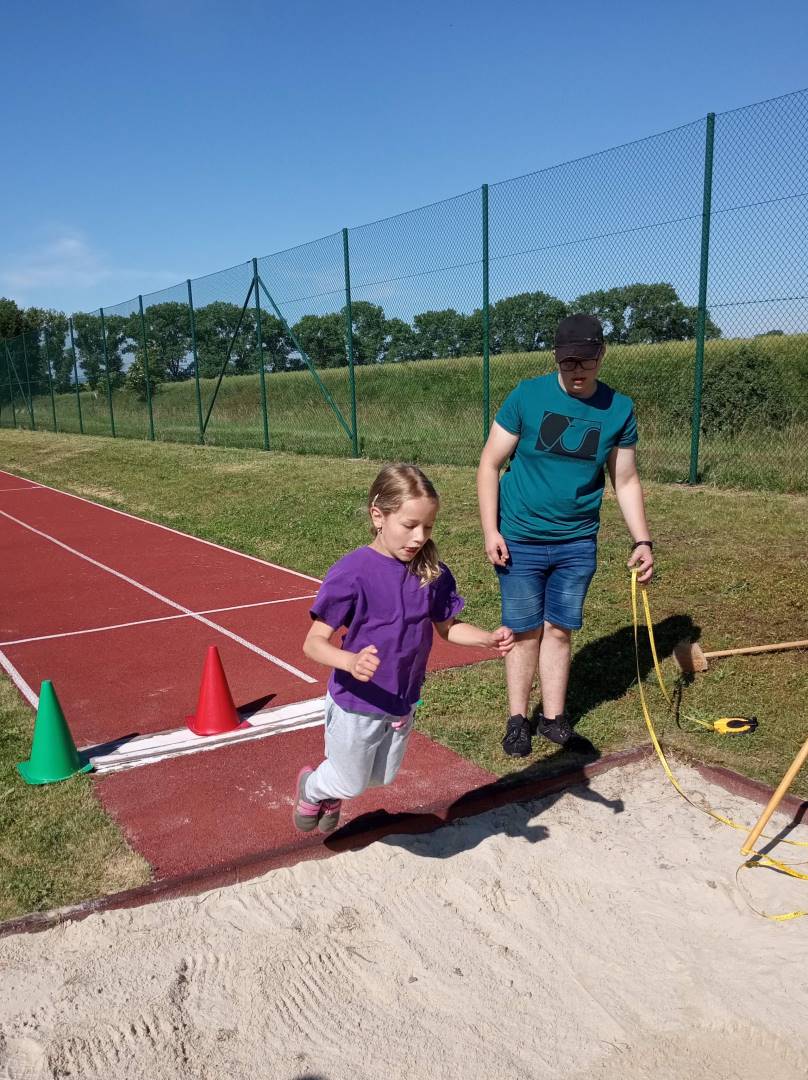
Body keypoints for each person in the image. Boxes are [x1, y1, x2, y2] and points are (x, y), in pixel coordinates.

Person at [294, 462, 515, 834]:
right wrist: (349, 661)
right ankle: (313, 787)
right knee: (351, 782)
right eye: (410, 525)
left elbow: (448, 627)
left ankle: (334, 785)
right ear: (378, 516)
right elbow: (313, 643)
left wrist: (486, 638)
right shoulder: (353, 572)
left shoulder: (432, 573)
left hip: (402, 699)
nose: (419, 537)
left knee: (381, 777)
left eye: (427, 527)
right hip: (356, 701)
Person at [477, 313, 654, 758]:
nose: (577, 370)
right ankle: (518, 720)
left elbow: (625, 480)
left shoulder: (618, 409)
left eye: (586, 361)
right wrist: (491, 529)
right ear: (556, 358)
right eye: (568, 361)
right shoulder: (527, 396)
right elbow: (489, 464)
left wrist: (642, 540)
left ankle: (553, 719)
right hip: (519, 537)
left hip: (576, 542)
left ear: (602, 355)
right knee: (523, 631)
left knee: (559, 630)